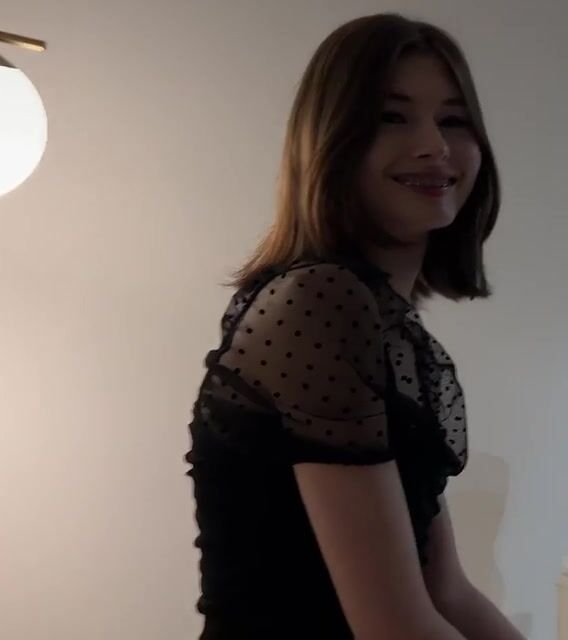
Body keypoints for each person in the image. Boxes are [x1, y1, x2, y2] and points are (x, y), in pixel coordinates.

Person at [185, 14, 524, 640]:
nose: (434, 145)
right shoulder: (321, 301)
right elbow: (395, 627)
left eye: (453, 121)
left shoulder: (390, 325)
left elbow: (447, 590)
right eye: (393, 117)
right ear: (333, 140)